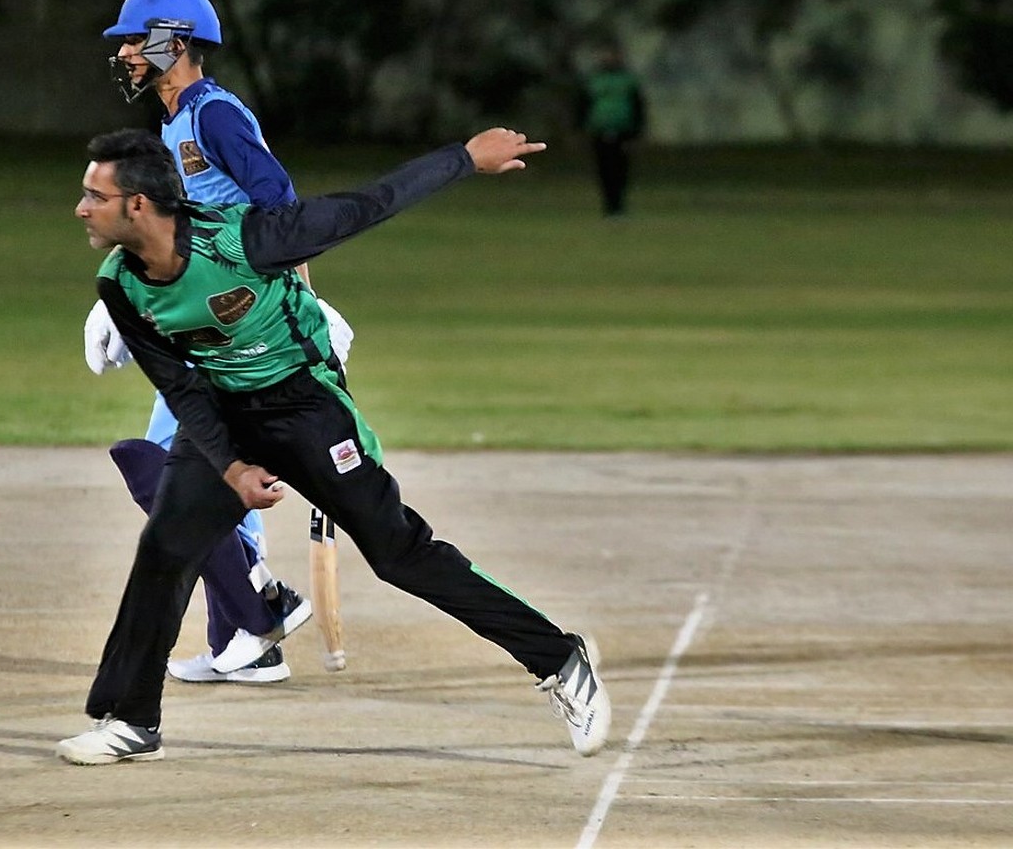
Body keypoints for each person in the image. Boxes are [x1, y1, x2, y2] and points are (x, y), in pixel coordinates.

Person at [56, 126, 611, 765]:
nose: (81, 209)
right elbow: (181, 386)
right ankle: (132, 721)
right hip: (223, 412)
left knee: (400, 553)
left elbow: (368, 205)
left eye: (94, 196)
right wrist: (231, 468)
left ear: (138, 205)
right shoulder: (120, 284)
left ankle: (559, 658)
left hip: (305, 408)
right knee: (165, 548)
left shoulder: (248, 239)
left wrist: (463, 159)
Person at [82, 0, 354, 682]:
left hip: (237, 328)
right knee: (205, 470)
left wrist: (303, 305)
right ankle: (245, 635)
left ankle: (260, 605)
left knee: (166, 467)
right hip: (205, 320)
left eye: (134, 40)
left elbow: (279, 208)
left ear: (172, 41)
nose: (125, 53)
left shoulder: (213, 115)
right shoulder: (175, 125)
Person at [574, 41, 646, 217]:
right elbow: (582, 105)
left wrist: (637, 131)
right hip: (599, 130)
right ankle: (608, 206)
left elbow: (638, 106)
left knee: (621, 169)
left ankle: (619, 205)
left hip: (623, 130)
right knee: (604, 169)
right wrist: (580, 128)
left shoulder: (628, 80)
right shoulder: (594, 80)